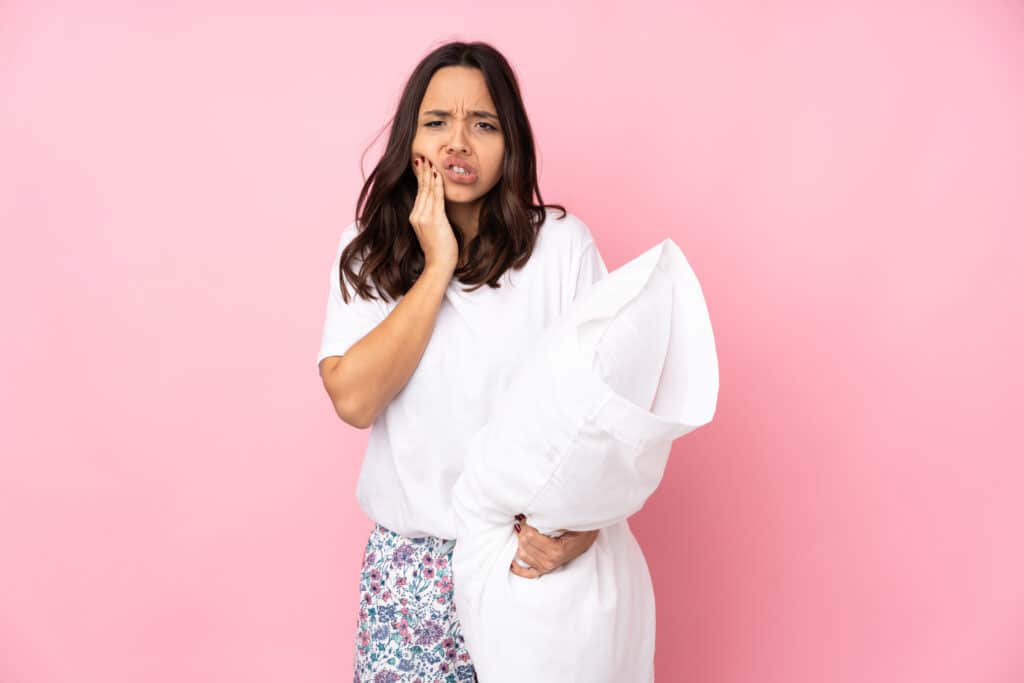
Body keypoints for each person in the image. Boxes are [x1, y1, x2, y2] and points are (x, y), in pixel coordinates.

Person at [316, 41, 610, 681]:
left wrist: (583, 530)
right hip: (412, 575)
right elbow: (354, 401)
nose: (458, 142)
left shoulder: (562, 249)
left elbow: (604, 413)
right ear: (410, 138)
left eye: (483, 124)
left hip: (531, 562)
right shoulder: (368, 251)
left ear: (512, 142)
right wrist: (437, 266)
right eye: (437, 121)